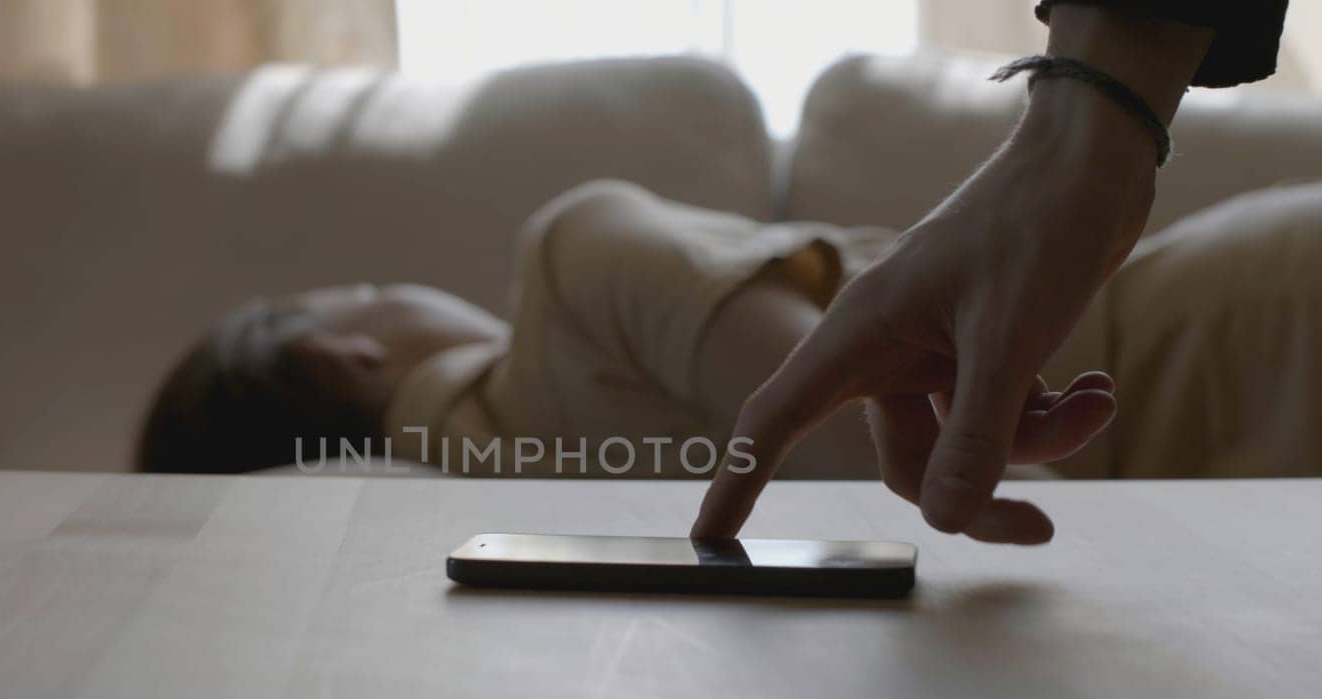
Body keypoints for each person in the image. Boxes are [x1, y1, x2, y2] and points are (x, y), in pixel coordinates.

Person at [691, 1, 1291, 544]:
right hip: (1185, 299)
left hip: (1214, 297)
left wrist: (1077, 134)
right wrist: (1086, 129)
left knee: (604, 231)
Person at [138, 180, 1118, 494]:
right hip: (1176, 336)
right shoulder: (575, 259)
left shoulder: (517, 482)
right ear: (345, 353)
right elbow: (940, 465)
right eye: (373, 290)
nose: (406, 288)